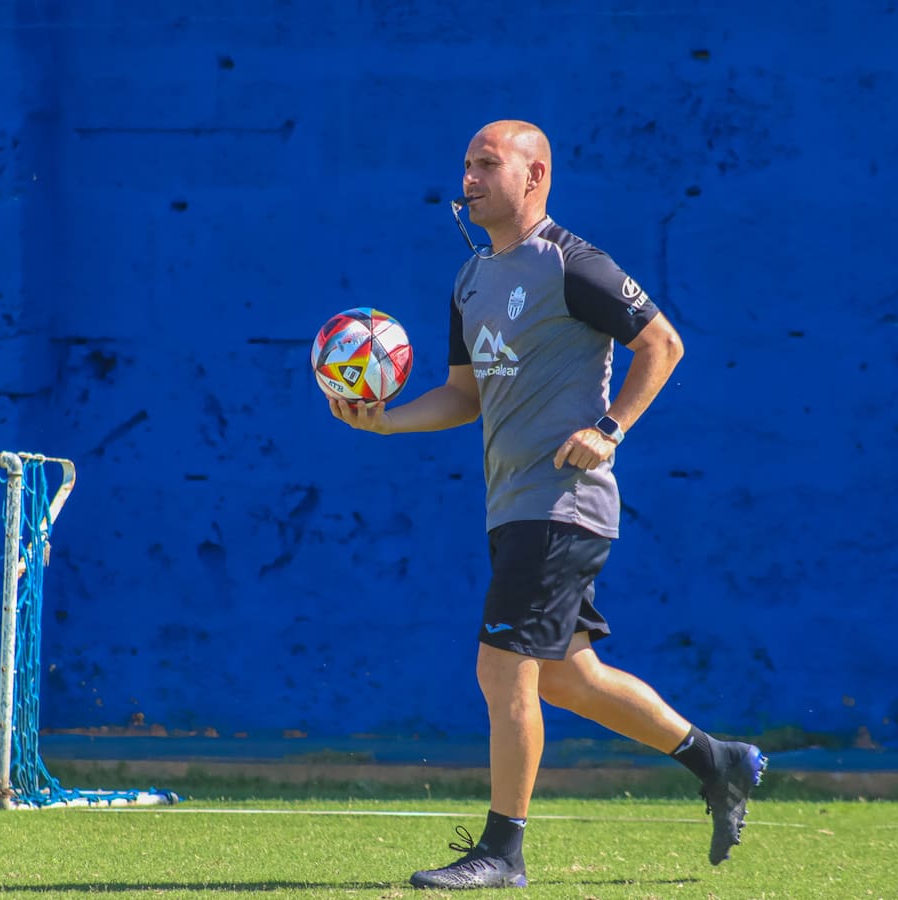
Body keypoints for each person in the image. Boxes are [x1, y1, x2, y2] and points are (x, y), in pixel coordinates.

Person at [328, 119, 766, 890]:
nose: (470, 176)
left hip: (563, 504)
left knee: (503, 673)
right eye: (466, 162)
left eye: (488, 164)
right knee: (565, 676)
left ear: (535, 180)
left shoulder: (573, 264)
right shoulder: (469, 281)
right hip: (514, 505)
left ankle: (503, 852)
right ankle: (719, 761)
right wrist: (385, 418)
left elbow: (663, 343)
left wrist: (610, 428)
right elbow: (465, 395)